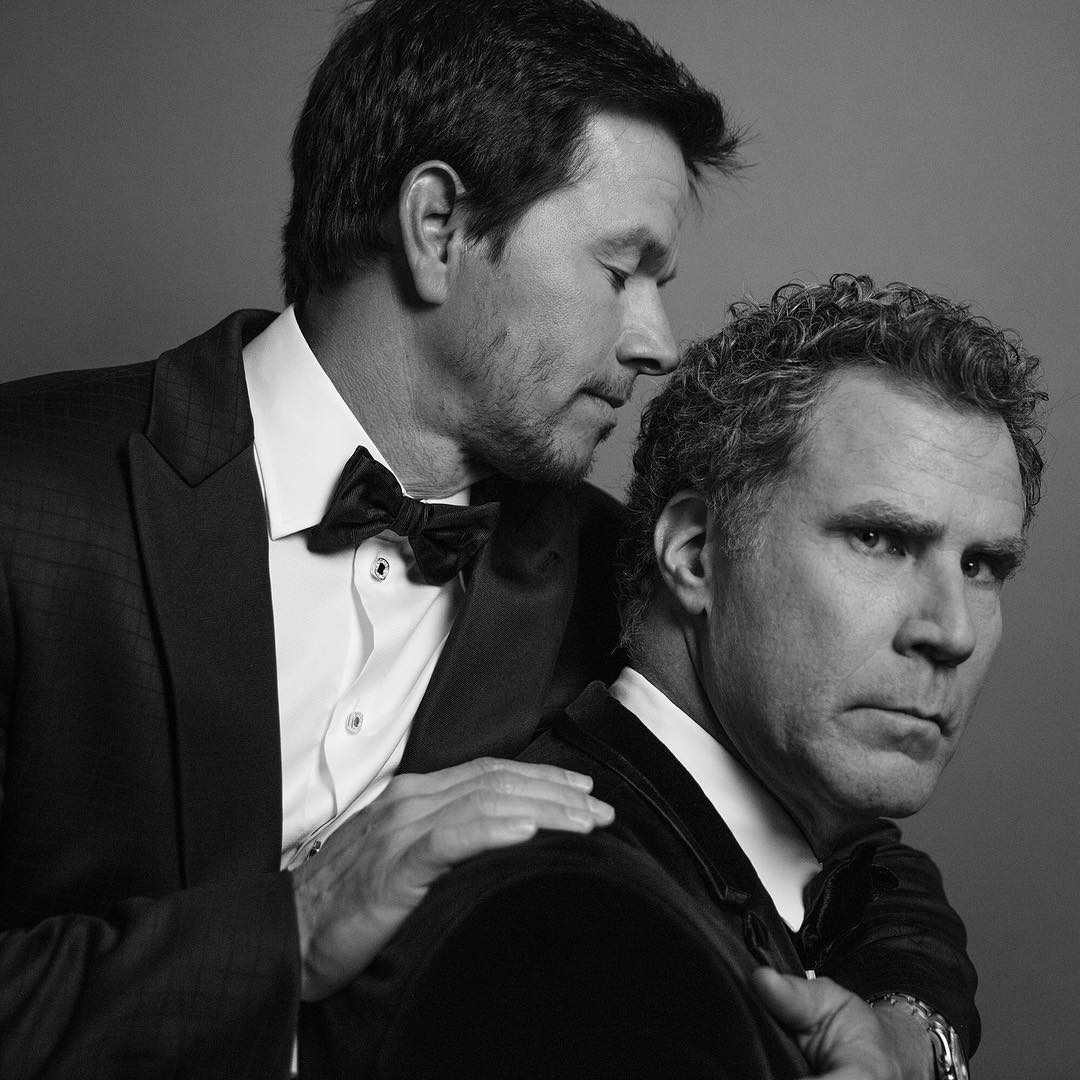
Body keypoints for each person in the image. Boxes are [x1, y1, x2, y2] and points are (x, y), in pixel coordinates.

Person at [0, 0, 980, 1070]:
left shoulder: (621, 573)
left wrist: (910, 1030)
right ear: (438, 229)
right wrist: (289, 929)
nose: (656, 342)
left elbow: (844, 846)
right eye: (621, 271)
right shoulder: (27, 495)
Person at [328, 274, 1045, 1079]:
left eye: (983, 565)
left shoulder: (817, 859)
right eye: (879, 540)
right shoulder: (569, 930)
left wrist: (917, 1034)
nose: (951, 631)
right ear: (696, 556)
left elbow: (878, 878)